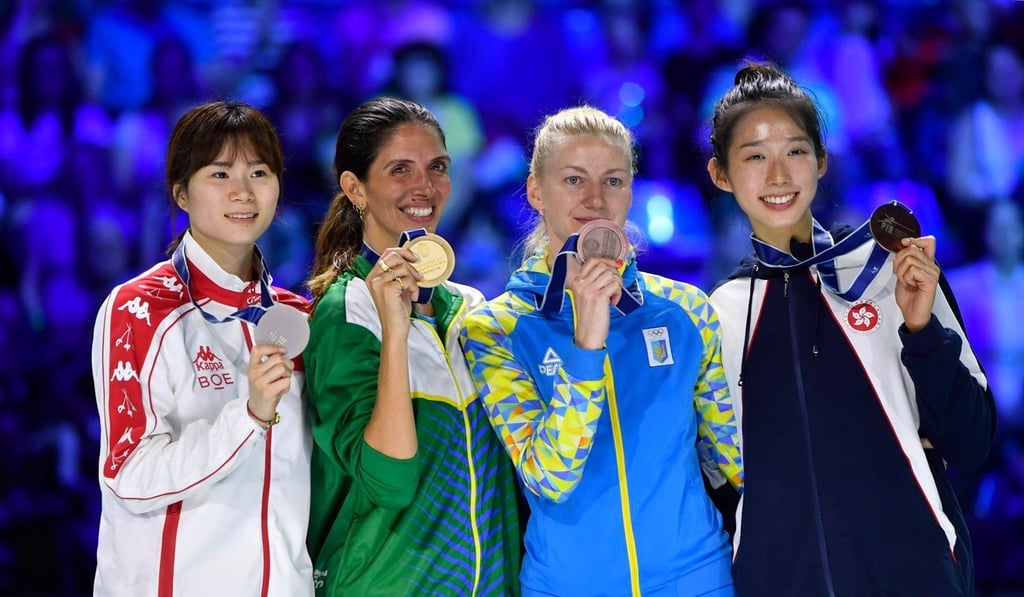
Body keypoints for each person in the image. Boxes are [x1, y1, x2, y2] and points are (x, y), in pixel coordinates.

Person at [705, 62, 996, 596]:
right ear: (720, 174)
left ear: (820, 161)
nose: (777, 175)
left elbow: (972, 440)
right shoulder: (719, 314)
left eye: (794, 151)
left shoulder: (892, 270)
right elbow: (719, 483)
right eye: (754, 157)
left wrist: (921, 329)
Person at [460, 105, 743, 596]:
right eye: (573, 180)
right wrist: (587, 341)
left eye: (613, 181)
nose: (595, 198)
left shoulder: (685, 310)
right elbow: (551, 475)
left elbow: (736, 459)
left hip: (696, 579)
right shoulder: (495, 329)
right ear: (535, 191)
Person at [90, 101, 314, 596]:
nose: (243, 191)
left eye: (259, 171)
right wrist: (249, 416)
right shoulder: (140, 309)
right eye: (219, 173)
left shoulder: (299, 317)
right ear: (181, 193)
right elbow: (129, 473)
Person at [303, 97, 521, 596]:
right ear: (355, 188)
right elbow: (390, 481)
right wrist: (395, 331)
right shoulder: (345, 312)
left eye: (438, 167)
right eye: (400, 169)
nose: (425, 188)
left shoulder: (469, 308)